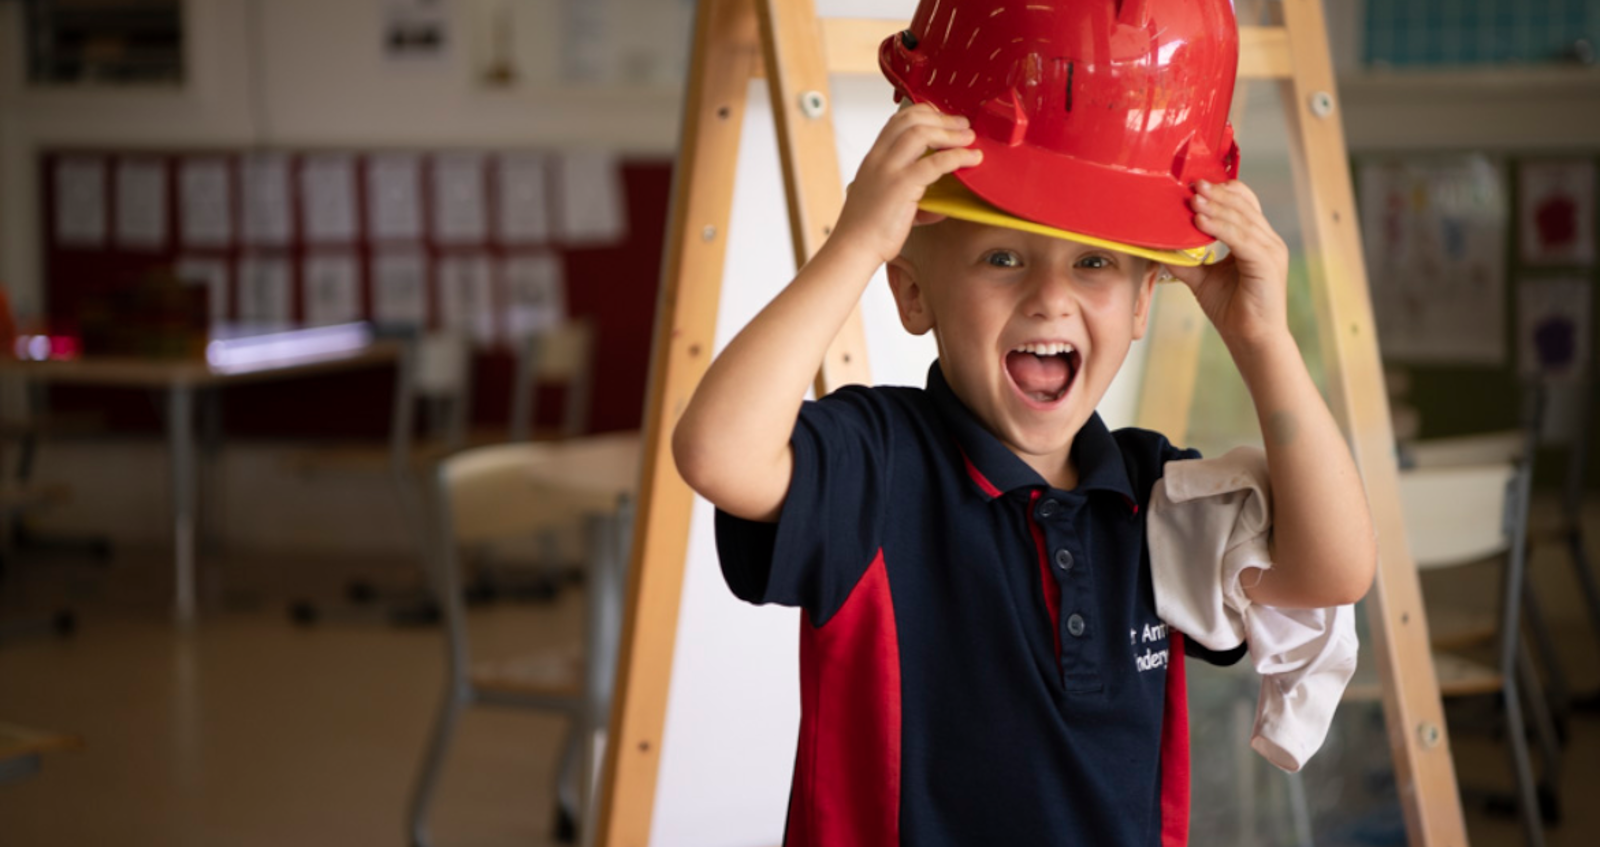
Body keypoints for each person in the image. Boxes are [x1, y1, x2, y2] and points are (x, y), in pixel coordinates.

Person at [672, 2, 1376, 844]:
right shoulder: (877, 463)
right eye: (1002, 256)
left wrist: (1262, 339)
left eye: (1095, 263)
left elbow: (1334, 569)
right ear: (911, 289)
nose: (1050, 297)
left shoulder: (1156, 496)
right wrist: (855, 242)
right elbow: (716, 450)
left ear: (1147, 299)